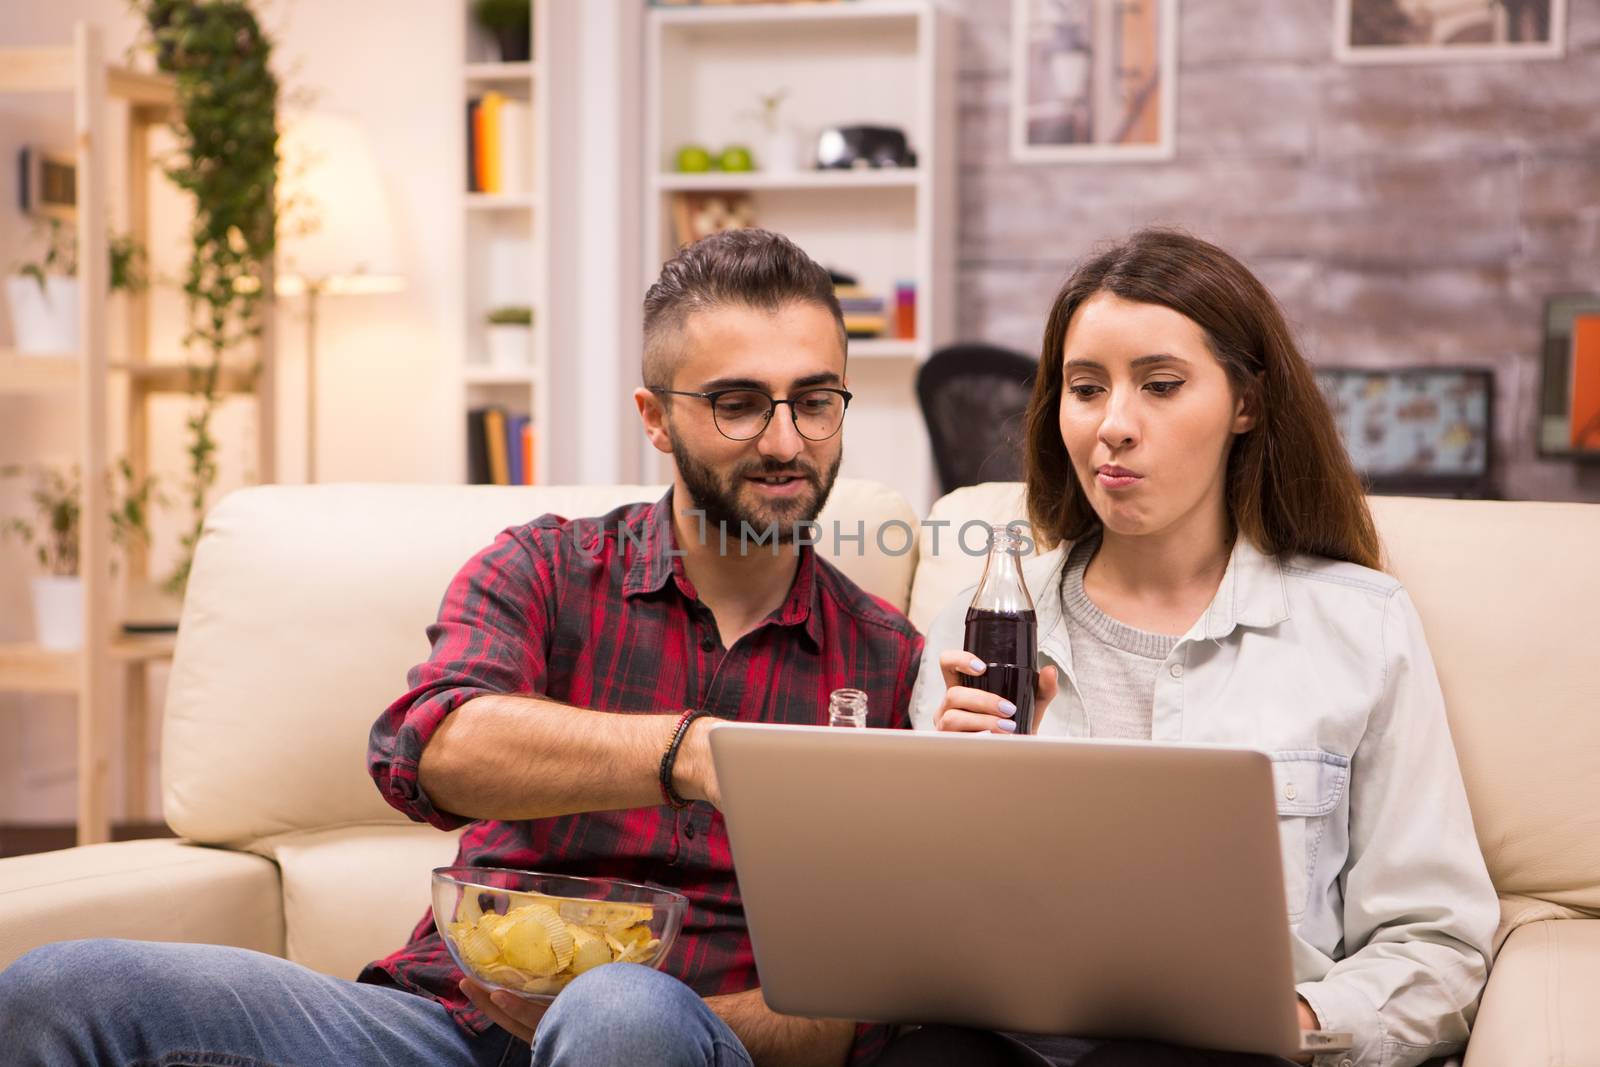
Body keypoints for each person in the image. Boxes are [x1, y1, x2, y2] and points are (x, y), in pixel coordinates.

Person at [0, 228, 923, 1067]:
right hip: (442, 1028)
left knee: (617, 1013)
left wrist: (639, 1017)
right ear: (654, 417)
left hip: (685, 1040)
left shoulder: (887, 663)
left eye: (814, 401)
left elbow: (854, 1013)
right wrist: (694, 751)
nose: (784, 439)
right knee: (62, 991)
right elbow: (437, 750)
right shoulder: (544, 569)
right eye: (736, 404)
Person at [892, 229, 1498, 1067]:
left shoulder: (1361, 626)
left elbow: (1438, 939)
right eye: (1085, 388)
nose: (1114, 426)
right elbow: (914, 940)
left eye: (1162, 386)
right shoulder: (979, 623)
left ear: (1246, 404)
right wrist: (951, 803)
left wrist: (1295, 1017)